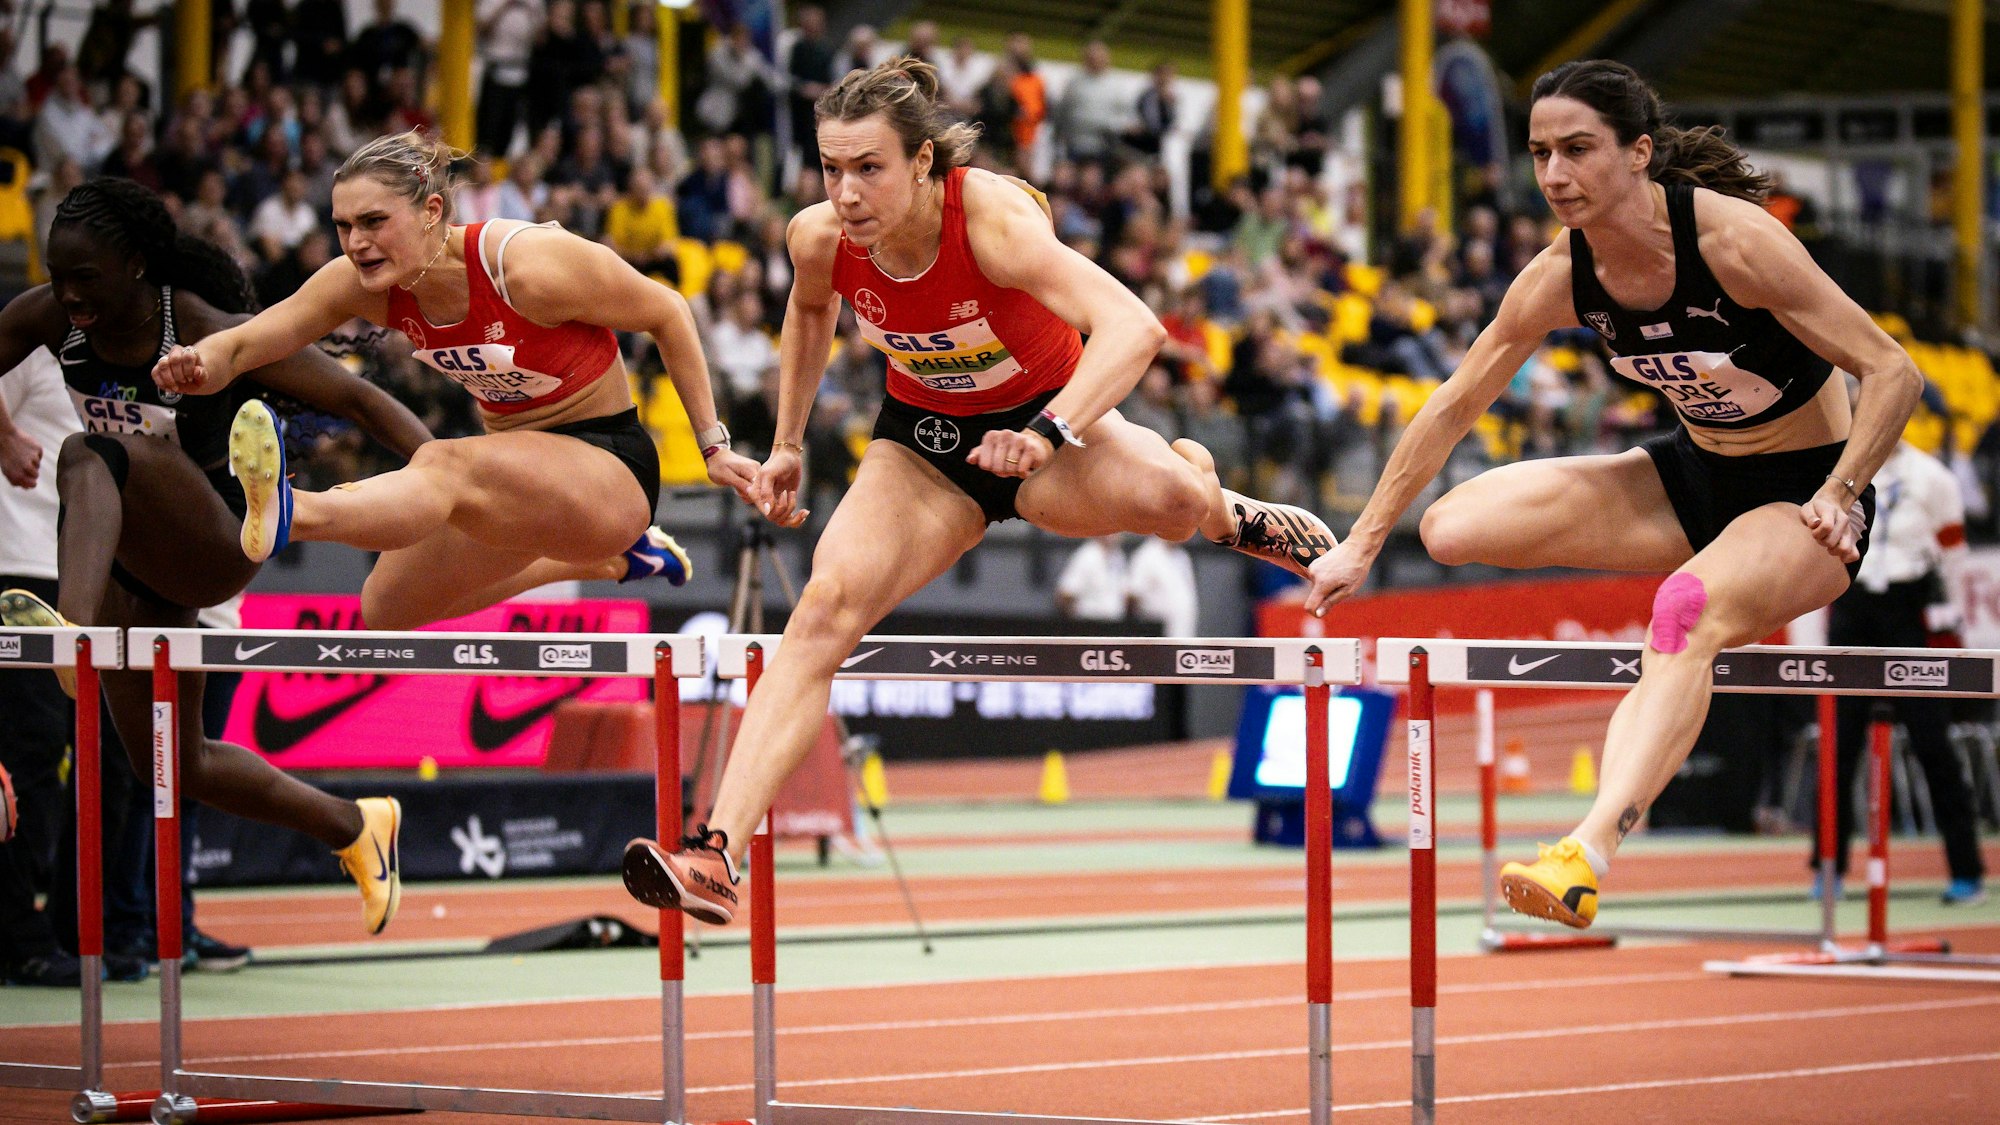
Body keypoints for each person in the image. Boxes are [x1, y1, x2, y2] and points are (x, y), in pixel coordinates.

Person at [620, 58, 1337, 924]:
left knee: (1175, 500)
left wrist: (1046, 432)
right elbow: (810, 312)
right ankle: (714, 855)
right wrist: (787, 443)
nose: (847, 193)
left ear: (923, 161)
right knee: (823, 611)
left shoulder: (991, 222)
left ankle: (1229, 510)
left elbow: (1134, 327)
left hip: (1046, 427)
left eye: (870, 167)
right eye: (832, 169)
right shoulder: (819, 237)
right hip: (923, 448)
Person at [1302, 60, 1924, 930]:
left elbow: (1894, 370)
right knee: (1449, 527)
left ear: (1638, 153)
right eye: (1540, 154)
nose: (1555, 175)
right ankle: (1706, 582)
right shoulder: (1564, 271)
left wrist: (1840, 488)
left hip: (1802, 500)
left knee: (1682, 610)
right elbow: (1453, 402)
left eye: (1577, 149)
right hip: (1691, 477)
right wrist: (1363, 542)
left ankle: (1586, 852)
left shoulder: (1733, 244)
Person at [0, 178, 434, 936]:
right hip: (134, 560)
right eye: (58, 276)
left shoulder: (200, 326)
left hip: (219, 538)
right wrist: (5, 435)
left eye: (85, 278)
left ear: (137, 265)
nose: (68, 294)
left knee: (88, 452)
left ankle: (72, 634)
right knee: (172, 761)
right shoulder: (50, 318)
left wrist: (452, 486)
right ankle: (355, 824)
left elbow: (359, 400)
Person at [152, 130, 762, 638]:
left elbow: (668, 311)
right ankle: (614, 561)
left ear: (432, 212)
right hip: (515, 480)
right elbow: (250, 341)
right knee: (387, 609)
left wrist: (713, 446)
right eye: (343, 226)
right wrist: (201, 362)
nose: (357, 243)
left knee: (443, 460)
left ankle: (296, 510)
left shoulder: (527, 265)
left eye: (373, 222)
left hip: (608, 468)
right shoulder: (361, 284)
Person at [1815, 439, 1986, 906]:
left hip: (1907, 608)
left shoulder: (1934, 478)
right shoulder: (1836, 472)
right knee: (1838, 745)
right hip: (1851, 604)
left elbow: (1954, 554)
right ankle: (1827, 868)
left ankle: (1966, 870)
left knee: (1934, 744)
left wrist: (1953, 616)